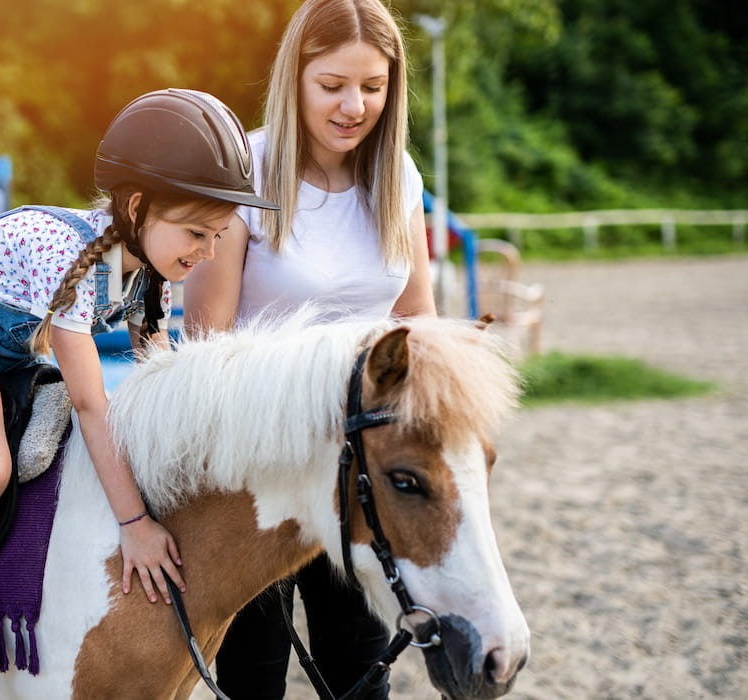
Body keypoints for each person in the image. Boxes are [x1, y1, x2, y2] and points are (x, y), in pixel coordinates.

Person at [0, 88, 279, 689]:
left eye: (219, 236)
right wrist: (134, 524)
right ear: (138, 207)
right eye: (197, 233)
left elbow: (160, 382)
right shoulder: (69, 255)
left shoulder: (150, 274)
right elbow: (92, 403)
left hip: (11, 347)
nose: (208, 252)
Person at [183, 1, 437, 698]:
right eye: (332, 85)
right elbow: (206, 344)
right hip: (257, 468)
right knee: (254, 675)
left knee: (359, 673)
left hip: (358, 472)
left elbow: (416, 320)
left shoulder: (399, 178)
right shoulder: (246, 172)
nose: (355, 106)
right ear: (294, 77)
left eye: (374, 87)